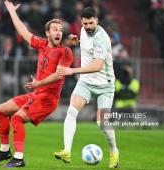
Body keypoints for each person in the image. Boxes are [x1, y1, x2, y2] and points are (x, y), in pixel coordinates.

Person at [0, 0, 73, 168]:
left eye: (61, 30)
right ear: (47, 33)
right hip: (36, 93)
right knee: (0, 110)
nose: (59, 33)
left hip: (47, 98)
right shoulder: (41, 45)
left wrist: (39, 83)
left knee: (17, 118)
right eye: (55, 29)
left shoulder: (65, 52)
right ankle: (5, 151)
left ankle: (19, 158)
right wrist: (12, 12)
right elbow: (23, 31)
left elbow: (59, 75)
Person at [54, 7, 119, 168]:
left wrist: (72, 70)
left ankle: (114, 152)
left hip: (105, 85)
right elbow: (88, 44)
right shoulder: (83, 31)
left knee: (102, 123)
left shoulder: (102, 38)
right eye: (85, 23)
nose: (88, 26)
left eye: (91, 23)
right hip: (86, 82)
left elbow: (97, 65)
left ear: (97, 20)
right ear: (81, 22)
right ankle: (67, 151)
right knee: (71, 110)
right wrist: (78, 42)